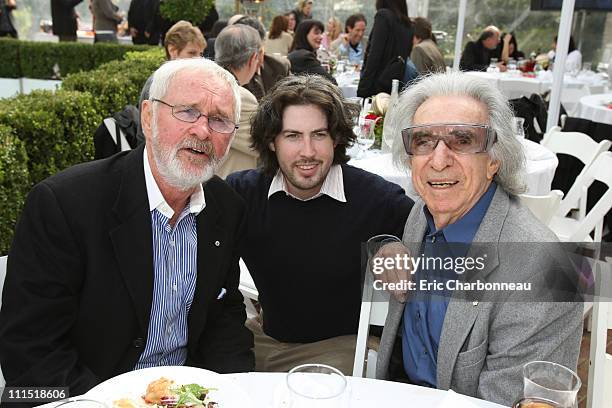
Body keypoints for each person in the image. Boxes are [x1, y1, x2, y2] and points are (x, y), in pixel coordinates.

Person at [0, 58, 255, 396]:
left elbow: (223, 313)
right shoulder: (63, 205)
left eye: (220, 120)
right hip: (87, 396)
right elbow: (29, 351)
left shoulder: (226, 207)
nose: (203, 131)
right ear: (148, 117)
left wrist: (233, 391)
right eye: (188, 112)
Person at [373, 72, 583, 405]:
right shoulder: (422, 214)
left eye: (463, 140)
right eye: (424, 141)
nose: (439, 160)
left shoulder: (544, 274)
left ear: (494, 160)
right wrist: (386, 245)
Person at [226, 75, 413, 375]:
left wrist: (394, 243)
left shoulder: (379, 199)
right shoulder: (243, 194)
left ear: (336, 138)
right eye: (292, 136)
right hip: (265, 341)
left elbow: (443, 252)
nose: (308, 151)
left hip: (344, 349)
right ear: (271, 142)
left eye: (319, 135)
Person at [214, 24, 262, 178]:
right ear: (254, 58)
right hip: (227, 188)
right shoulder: (237, 96)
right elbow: (262, 143)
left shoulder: (206, 83)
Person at [357, 0, 413, 97]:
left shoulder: (383, 16)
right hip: (394, 84)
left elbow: (375, 55)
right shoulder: (407, 24)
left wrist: (363, 87)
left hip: (376, 84)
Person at [288, 19, 336, 84]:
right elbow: (331, 82)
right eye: (316, 33)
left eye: (321, 33)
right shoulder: (304, 57)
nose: (321, 37)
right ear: (304, 35)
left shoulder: (297, 53)